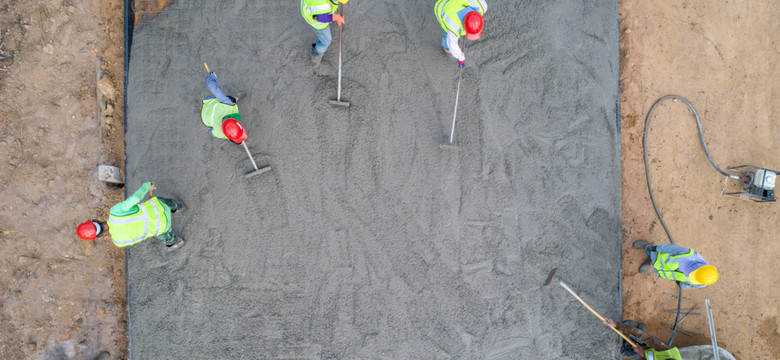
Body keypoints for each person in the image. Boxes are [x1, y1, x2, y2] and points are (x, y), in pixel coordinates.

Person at [77, 181, 184, 249]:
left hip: (161, 227)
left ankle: (174, 242)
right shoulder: (115, 212)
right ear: (95, 220)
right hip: (160, 206)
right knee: (165, 203)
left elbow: (139, 237)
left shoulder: (118, 242)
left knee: (163, 234)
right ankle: (176, 207)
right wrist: (147, 186)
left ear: (99, 236)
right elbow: (135, 199)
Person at [633, 241, 718, 289]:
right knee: (651, 253)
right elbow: (671, 248)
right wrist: (657, 248)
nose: (689, 275)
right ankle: (648, 246)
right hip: (662, 258)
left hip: (665, 270)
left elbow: (689, 285)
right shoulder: (690, 255)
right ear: (700, 268)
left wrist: (681, 284)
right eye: (693, 274)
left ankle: (650, 263)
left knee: (654, 264)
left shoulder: (701, 282)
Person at [434, 0, 487, 68]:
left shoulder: (482, 5)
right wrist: (461, 57)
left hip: (456, 3)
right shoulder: (453, 26)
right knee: (446, 35)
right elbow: (452, 44)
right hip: (442, 6)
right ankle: (446, 48)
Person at [301, 0, 347, 65]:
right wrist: (335, 17)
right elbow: (321, 18)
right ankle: (316, 54)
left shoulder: (322, 6)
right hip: (317, 22)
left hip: (311, 5)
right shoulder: (321, 6)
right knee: (326, 41)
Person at [201, 70, 242, 140]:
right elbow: (211, 130)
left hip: (209, 104)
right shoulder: (219, 134)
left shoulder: (227, 103)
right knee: (211, 126)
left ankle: (233, 99)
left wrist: (212, 76)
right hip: (204, 119)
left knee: (225, 97)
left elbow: (211, 85)